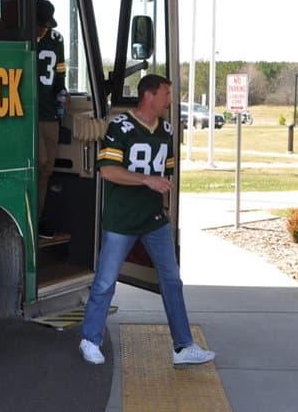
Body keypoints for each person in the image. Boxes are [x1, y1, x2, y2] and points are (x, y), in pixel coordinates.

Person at [79, 74, 215, 368]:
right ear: (149, 96)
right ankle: (90, 339)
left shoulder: (166, 129)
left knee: (172, 281)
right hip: (121, 219)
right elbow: (108, 171)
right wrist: (146, 181)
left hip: (154, 220)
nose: (169, 100)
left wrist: (164, 203)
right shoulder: (120, 126)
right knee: (104, 282)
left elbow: (165, 175)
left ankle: (183, 346)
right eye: (166, 94)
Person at [35, 0, 67, 239]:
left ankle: (39, 217)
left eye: (46, 26)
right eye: (40, 25)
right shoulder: (19, 36)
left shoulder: (56, 40)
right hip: (25, 112)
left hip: (48, 112)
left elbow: (60, 73)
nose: (43, 30)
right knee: (38, 162)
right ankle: (30, 217)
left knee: (46, 169)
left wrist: (61, 93)